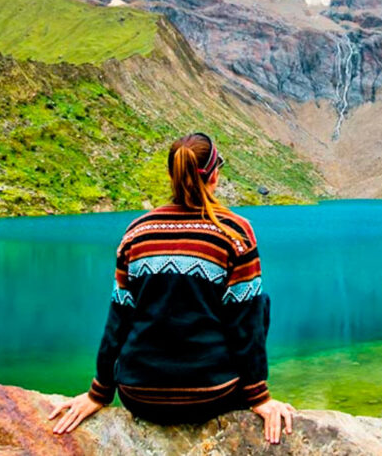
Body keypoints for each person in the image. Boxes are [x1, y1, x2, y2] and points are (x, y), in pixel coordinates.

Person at [48, 133, 295, 444]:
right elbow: (245, 324)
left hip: (138, 394)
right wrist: (260, 397)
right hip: (211, 395)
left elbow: (119, 317)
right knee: (256, 301)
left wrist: (99, 393)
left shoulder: (137, 231)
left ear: (171, 175)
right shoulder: (235, 232)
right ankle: (249, 393)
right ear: (215, 174)